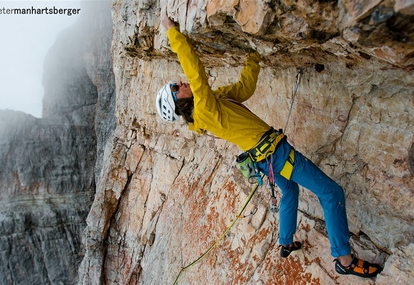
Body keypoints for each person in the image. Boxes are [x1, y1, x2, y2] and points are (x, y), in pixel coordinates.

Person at [157, 6, 383, 278]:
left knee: (290, 193)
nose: (179, 83)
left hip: (265, 160)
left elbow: (242, 90)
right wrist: (172, 31)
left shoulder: (211, 105)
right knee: (331, 193)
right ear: (179, 103)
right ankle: (344, 261)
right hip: (277, 156)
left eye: (175, 83)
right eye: (175, 88)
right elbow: (195, 70)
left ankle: (286, 242)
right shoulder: (204, 109)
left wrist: (254, 57)